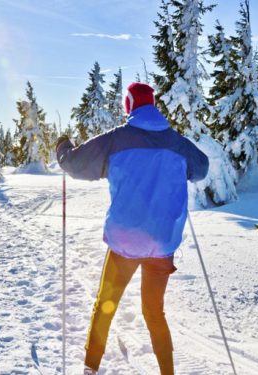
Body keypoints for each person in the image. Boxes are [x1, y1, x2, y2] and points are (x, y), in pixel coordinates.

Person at [56, 82, 209, 375]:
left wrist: (63, 147)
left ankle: (90, 370)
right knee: (154, 313)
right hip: (162, 245)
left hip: (125, 242)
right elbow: (201, 168)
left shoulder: (116, 139)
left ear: (129, 105)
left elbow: (75, 165)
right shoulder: (175, 142)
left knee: (105, 306)